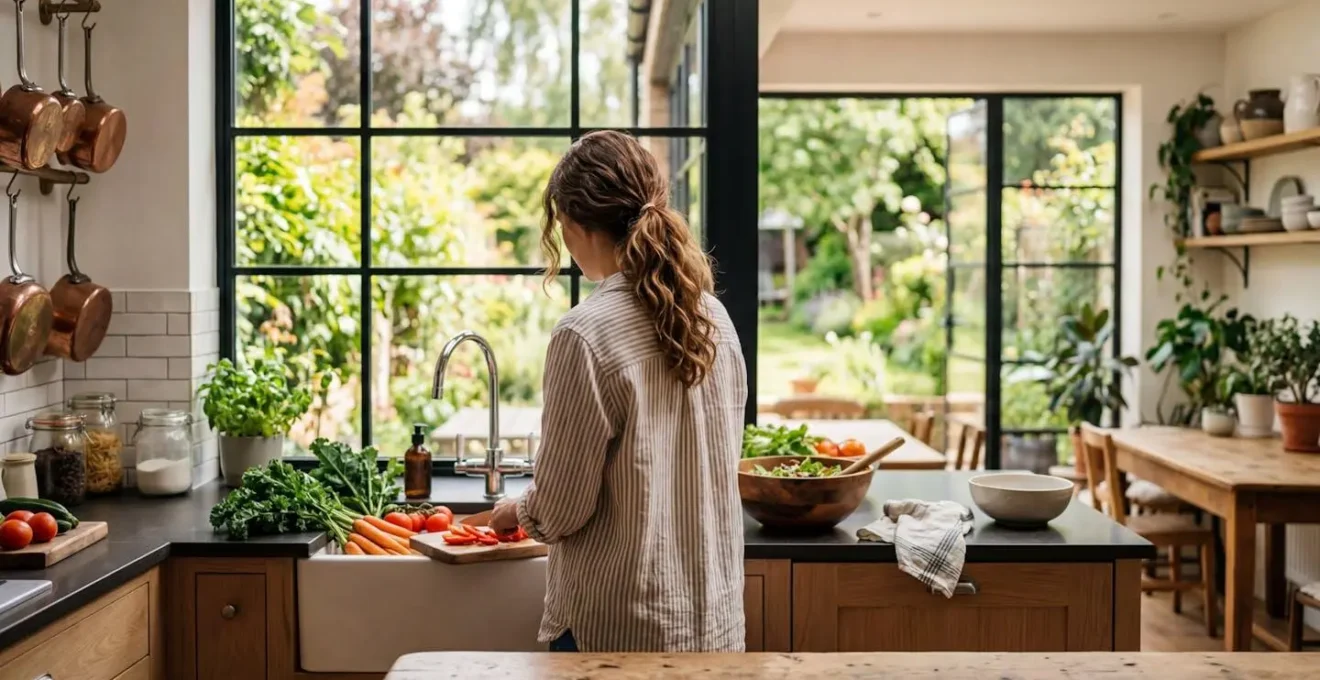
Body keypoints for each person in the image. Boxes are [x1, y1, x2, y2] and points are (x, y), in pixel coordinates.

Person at [489, 130, 747, 653]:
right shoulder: (713, 317)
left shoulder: (583, 333)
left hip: (619, 635)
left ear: (578, 224)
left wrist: (516, 511)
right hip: (716, 630)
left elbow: (561, 509)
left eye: (561, 226)